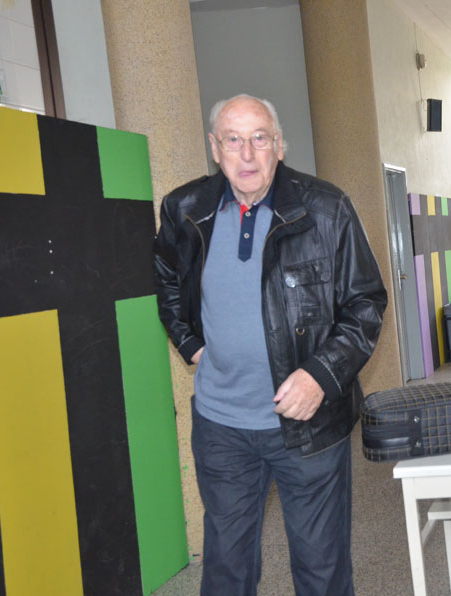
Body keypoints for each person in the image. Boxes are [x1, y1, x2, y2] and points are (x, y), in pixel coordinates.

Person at [152, 94, 387, 595]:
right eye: (233, 140)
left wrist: (320, 375)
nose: (247, 154)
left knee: (321, 571)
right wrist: (191, 345)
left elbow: (365, 304)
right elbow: (168, 282)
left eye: (259, 138)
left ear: (279, 145)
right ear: (215, 148)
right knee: (226, 571)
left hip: (309, 424)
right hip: (221, 426)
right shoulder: (184, 209)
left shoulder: (327, 209)